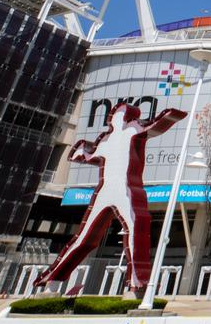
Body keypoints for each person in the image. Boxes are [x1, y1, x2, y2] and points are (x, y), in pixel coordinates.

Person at [35, 102, 187, 293]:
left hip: (125, 190)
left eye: (120, 113)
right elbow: (88, 155)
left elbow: (154, 125)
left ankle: (137, 281)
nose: (116, 116)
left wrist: (170, 114)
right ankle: (53, 277)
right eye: (115, 112)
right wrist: (80, 152)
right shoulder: (105, 140)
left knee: (135, 229)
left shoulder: (133, 130)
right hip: (105, 191)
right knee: (84, 237)